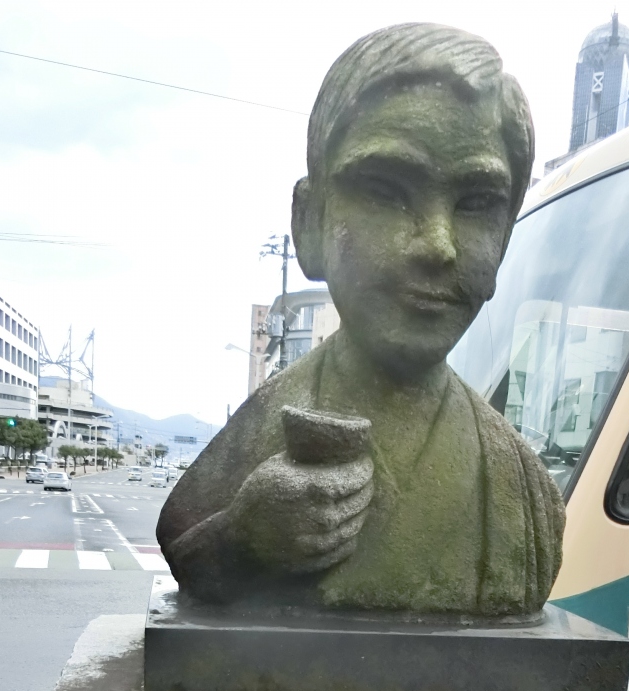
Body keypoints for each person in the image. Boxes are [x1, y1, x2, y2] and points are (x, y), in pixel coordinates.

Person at [157, 22, 565, 617]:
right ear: (309, 223)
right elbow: (185, 547)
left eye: (477, 203)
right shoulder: (261, 430)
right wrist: (243, 541)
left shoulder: (525, 493)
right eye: (385, 191)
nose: (438, 245)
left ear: (503, 241)